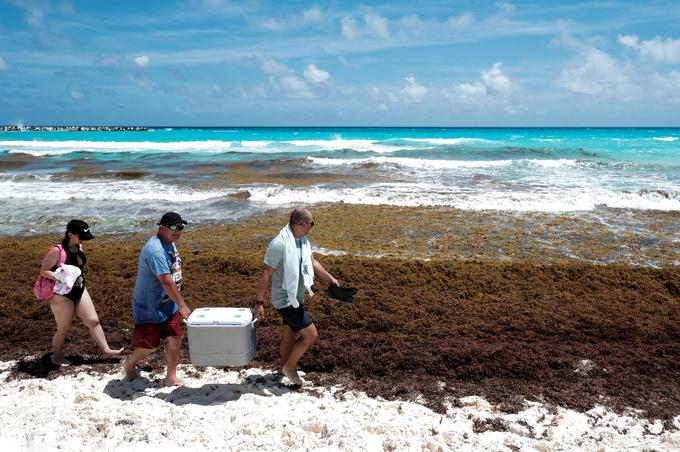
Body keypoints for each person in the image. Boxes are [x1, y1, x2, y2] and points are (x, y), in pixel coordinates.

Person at [255, 208, 339, 385]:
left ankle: (283, 367)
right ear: (301, 224)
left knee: (289, 333)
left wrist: (330, 279)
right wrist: (259, 302)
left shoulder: (301, 240)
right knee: (310, 334)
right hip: (285, 300)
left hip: (296, 296)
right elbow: (266, 273)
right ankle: (290, 367)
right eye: (312, 224)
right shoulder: (279, 244)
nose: (312, 227)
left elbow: (311, 261)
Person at [38, 219, 123, 365]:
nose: (84, 240)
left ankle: (106, 350)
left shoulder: (79, 246)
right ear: (70, 234)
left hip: (80, 289)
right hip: (62, 295)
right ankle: (56, 357)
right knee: (63, 328)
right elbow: (43, 271)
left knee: (93, 321)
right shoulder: (57, 251)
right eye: (81, 237)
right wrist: (59, 277)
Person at [123, 212, 191, 386]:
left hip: (169, 304)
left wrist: (176, 303)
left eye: (181, 228)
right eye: (174, 228)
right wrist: (182, 305)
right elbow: (166, 282)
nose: (178, 231)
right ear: (161, 228)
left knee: (176, 337)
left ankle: (171, 377)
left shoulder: (170, 243)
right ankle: (130, 364)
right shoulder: (155, 250)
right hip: (149, 306)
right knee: (149, 346)